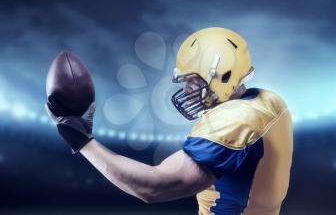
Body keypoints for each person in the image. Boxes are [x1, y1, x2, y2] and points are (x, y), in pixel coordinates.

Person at [46, 27, 293, 215]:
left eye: (193, 81)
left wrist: (82, 141)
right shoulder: (269, 102)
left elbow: (154, 187)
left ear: (224, 74)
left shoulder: (235, 123)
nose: (186, 90)